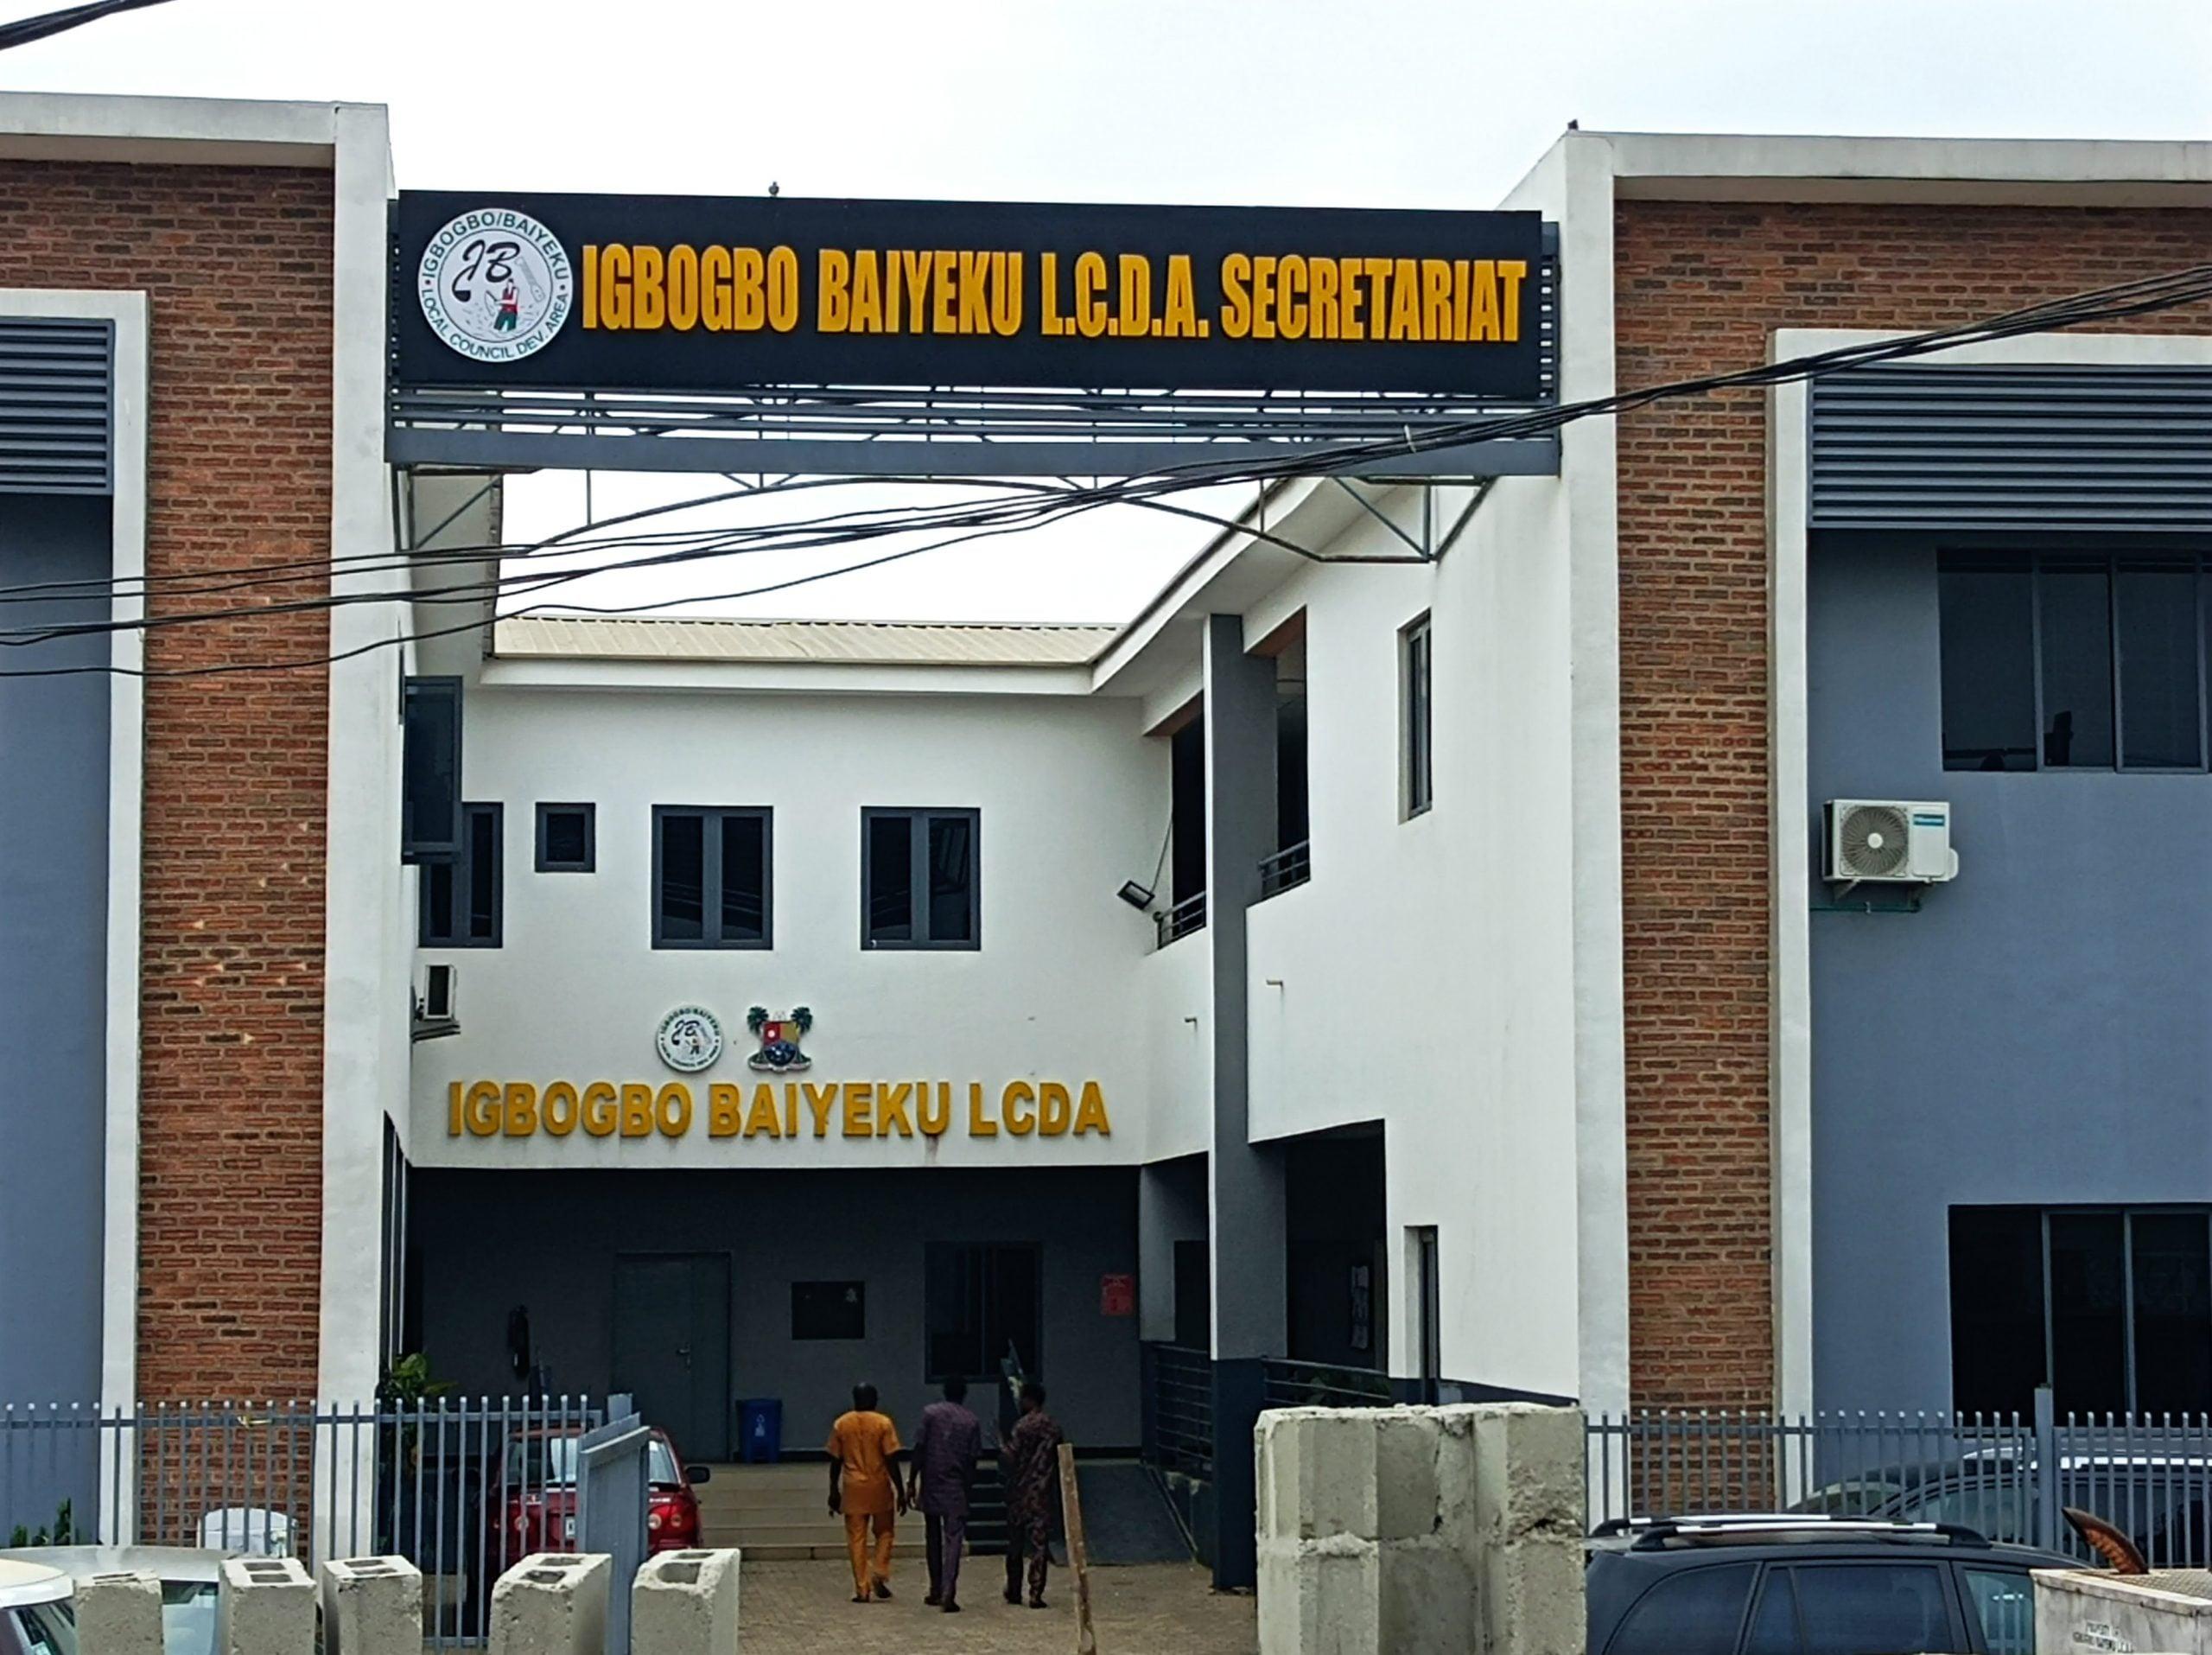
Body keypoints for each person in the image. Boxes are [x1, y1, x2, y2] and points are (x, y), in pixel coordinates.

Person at [906, 1375, 983, 1613]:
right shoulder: (971, 1421)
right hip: (956, 1484)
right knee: (954, 1540)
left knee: (932, 1537)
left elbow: (920, 1448)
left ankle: (935, 1588)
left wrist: (912, 1480)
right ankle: (949, 1589)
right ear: (964, 1394)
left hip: (932, 1482)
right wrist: (968, 1487)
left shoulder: (930, 1414)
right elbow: (972, 1459)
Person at [825, 1382, 906, 1604]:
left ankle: (862, 1588)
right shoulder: (883, 1423)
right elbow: (891, 1459)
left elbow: (835, 1460)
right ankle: (879, 1570)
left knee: (856, 1538)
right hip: (878, 1484)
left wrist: (833, 1490)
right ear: (874, 1399)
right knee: (885, 1531)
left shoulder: (842, 1424)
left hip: (853, 1487)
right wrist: (900, 1489)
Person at [1000, 1378, 1065, 1609]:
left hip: (1020, 1491)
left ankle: (1014, 1589)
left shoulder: (1022, 1427)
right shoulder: (1053, 1427)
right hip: (1043, 1492)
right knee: (1039, 1545)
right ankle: (1036, 1592)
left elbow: (1011, 1457)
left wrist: (1001, 1445)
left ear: (1029, 1400)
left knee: (1015, 1543)